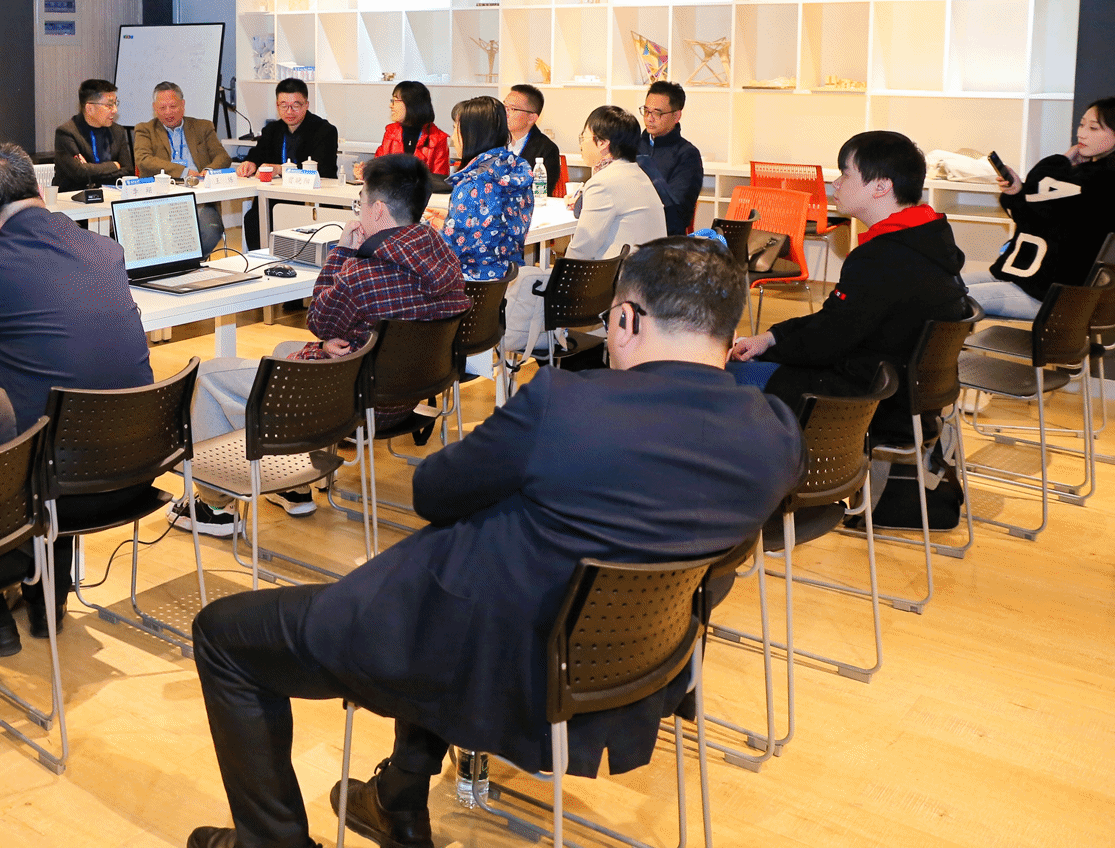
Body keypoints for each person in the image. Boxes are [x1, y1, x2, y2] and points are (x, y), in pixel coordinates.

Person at [183, 238, 803, 848]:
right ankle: (400, 798)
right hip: (629, 664)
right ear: (728, 330)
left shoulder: (565, 405)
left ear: (626, 320)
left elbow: (434, 493)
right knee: (466, 570)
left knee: (224, 635)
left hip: (489, 655)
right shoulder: (775, 433)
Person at [0, 143, 154, 647]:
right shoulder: (103, 248)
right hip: (133, 464)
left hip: (47, 477)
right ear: (39, 189)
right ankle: (46, 603)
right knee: (51, 404)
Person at [181, 155, 470, 535]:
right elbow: (335, 331)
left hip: (354, 405)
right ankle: (293, 487)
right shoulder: (444, 256)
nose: (359, 210)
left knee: (208, 376)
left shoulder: (365, 273)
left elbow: (319, 321)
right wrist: (342, 341)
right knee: (284, 350)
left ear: (378, 210)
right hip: (406, 392)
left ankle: (215, 506)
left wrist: (343, 252)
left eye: (360, 202)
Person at [730, 131, 971, 443]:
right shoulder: (928, 240)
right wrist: (772, 337)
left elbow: (827, 340)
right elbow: (837, 321)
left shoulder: (882, 258)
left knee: (728, 376)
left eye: (846, 174)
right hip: (903, 396)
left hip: (864, 403)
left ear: (881, 186)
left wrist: (771, 347)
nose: (836, 183)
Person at [502, 106, 665, 356]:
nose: (581, 144)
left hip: (615, 285)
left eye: (584, 137)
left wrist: (560, 282)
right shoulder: (635, 173)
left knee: (524, 279)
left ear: (603, 143)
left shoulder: (604, 182)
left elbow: (582, 248)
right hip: (646, 279)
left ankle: (522, 353)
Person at [964, 97, 1115, 319]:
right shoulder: (1080, 175)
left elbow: (1040, 187)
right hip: (1027, 279)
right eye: (1082, 124)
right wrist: (1017, 192)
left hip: (1050, 294)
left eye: (1093, 128)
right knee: (942, 286)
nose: (1081, 134)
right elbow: (1033, 217)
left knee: (943, 298)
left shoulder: (1104, 180)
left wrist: (1062, 159)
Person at [427, 97, 534, 283]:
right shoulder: (514, 172)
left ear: (471, 134)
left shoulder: (472, 183)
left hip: (469, 284)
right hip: (504, 281)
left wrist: (430, 228)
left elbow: (450, 251)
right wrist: (453, 218)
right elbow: (493, 221)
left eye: (455, 128)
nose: (452, 138)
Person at [235, 78, 341, 248]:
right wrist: (251, 163)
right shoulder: (272, 130)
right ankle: (263, 260)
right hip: (277, 197)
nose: (289, 111)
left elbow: (323, 168)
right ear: (277, 106)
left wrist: (281, 169)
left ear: (306, 105)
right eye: (284, 106)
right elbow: (258, 154)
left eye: (295, 106)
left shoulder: (324, 130)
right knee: (253, 219)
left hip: (312, 198)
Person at [134, 80, 232, 253]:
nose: (168, 112)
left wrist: (208, 171)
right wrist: (183, 172)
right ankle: (182, 263)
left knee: (210, 231)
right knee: (165, 236)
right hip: (163, 198)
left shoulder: (202, 127)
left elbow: (223, 157)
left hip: (200, 197)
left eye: (173, 106)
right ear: (155, 108)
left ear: (183, 105)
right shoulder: (145, 129)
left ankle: (192, 262)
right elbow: (143, 160)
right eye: (162, 108)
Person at [638, 81, 705, 236]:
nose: (649, 118)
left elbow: (678, 214)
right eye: (646, 111)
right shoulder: (631, 147)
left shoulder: (687, 155)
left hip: (664, 240)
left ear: (676, 116)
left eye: (657, 113)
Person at [355, 82, 452, 180]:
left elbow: (440, 181)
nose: (391, 105)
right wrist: (367, 172)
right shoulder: (391, 132)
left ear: (411, 104)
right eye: (391, 100)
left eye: (395, 101)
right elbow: (379, 168)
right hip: (391, 189)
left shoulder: (437, 139)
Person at [54, 79, 136, 192]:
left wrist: (90, 170)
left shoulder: (117, 131)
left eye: (115, 103)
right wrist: (114, 166)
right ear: (90, 108)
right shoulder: (67, 133)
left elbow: (128, 171)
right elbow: (79, 174)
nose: (115, 110)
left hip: (110, 195)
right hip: (73, 197)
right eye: (109, 105)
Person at [504, 84, 565, 198]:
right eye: (504, 107)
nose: (505, 113)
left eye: (512, 109)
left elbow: (541, 193)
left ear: (531, 118)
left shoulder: (547, 149)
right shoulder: (494, 141)